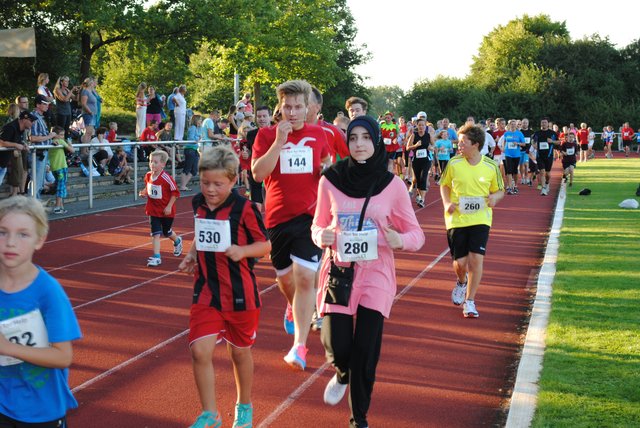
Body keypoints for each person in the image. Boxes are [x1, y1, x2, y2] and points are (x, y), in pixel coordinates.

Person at [312, 114, 424, 428]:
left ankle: (358, 418)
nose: (359, 144)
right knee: (338, 346)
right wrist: (322, 236)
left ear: (375, 141)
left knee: (365, 348)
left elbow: (417, 235)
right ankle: (342, 373)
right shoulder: (330, 180)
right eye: (353, 138)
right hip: (340, 272)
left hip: (376, 273)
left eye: (365, 138)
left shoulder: (392, 185)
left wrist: (399, 240)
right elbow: (318, 224)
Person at [178, 145, 270, 428]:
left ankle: (244, 406)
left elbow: (265, 245)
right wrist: (192, 253)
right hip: (207, 291)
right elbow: (202, 232)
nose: (210, 190)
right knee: (199, 351)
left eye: (218, 184)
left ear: (233, 181)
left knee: (239, 352)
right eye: (205, 182)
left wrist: (243, 251)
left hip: (241, 294)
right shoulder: (198, 203)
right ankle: (210, 414)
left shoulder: (244, 209)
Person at [252, 79, 331, 370]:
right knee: (286, 280)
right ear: (280, 107)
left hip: (309, 217)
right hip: (277, 218)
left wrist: (326, 169)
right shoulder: (265, 135)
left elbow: (327, 162)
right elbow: (258, 174)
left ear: (308, 107)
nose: (293, 112)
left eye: (298, 107)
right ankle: (293, 306)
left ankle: (299, 346)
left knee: (305, 277)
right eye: (288, 107)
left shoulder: (318, 134)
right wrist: (278, 142)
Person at [0, 196, 82, 426]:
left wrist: (9, 348)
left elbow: (63, 356)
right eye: (2, 232)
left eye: (23, 234)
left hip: (41, 411)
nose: (11, 242)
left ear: (39, 240)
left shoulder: (48, 292)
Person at [441, 124, 504, 318]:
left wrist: (494, 198)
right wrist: (447, 202)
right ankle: (462, 282)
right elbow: (444, 185)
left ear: (475, 144)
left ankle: (470, 301)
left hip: (481, 218)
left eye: (462, 142)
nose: (458, 145)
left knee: (476, 258)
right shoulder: (454, 163)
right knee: (460, 263)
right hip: (457, 219)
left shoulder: (491, 166)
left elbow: (500, 190)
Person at [138, 150, 183, 266]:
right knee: (155, 234)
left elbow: (175, 193)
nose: (152, 164)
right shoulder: (148, 175)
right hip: (153, 210)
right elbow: (148, 187)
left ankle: (177, 240)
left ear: (163, 164)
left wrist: (169, 206)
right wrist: (144, 192)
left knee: (166, 232)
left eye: (155, 162)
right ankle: (157, 257)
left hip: (166, 211)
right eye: (150, 161)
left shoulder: (166, 178)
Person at [29, 95, 57, 199]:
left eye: (48, 104)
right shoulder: (34, 117)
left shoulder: (40, 117)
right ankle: (33, 205)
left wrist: (50, 141)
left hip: (42, 153)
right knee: (36, 182)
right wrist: (49, 136)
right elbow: (32, 138)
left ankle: (35, 204)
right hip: (37, 153)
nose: (47, 106)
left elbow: (41, 136)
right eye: (44, 104)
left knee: (39, 182)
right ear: (37, 105)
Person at [245, 106, 271, 210]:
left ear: (270, 117)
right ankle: (256, 219)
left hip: (272, 171)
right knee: (256, 203)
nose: (261, 119)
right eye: (259, 116)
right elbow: (248, 150)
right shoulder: (251, 134)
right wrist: (246, 153)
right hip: (256, 170)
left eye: (264, 116)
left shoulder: (277, 132)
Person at [406, 117, 433, 208]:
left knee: (423, 178)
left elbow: (433, 144)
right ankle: (419, 196)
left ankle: (422, 199)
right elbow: (407, 148)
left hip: (426, 160)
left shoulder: (428, 135)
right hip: (416, 161)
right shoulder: (414, 135)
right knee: (417, 180)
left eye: (423, 125)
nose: (421, 127)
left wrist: (431, 148)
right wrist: (416, 145)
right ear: (417, 126)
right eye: (419, 125)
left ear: (425, 126)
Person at [49, 126, 74, 214]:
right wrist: (69, 143)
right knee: (61, 186)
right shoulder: (60, 141)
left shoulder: (50, 142)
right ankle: (57, 207)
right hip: (61, 167)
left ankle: (61, 206)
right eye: (61, 135)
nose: (62, 136)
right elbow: (72, 150)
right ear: (55, 135)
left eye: (63, 135)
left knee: (60, 186)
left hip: (54, 167)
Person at [532, 118, 558, 196]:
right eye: (542, 122)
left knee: (548, 174)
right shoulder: (537, 133)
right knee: (542, 172)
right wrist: (534, 145)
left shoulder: (552, 133)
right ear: (541, 124)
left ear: (548, 124)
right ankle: (543, 189)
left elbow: (558, 142)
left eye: (545, 122)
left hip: (549, 156)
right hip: (540, 155)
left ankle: (547, 183)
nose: (543, 124)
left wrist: (552, 141)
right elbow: (533, 141)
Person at [501, 119, 526, 195]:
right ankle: (509, 187)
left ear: (516, 125)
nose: (513, 125)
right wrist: (503, 147)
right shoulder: (506, 133)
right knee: (509, 171)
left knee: (515, 171)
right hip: (508, 154)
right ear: (509, 125)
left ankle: (515, 185)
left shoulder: (519, 133)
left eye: (514, 124)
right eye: (511, 124)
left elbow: (524, 144)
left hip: (516, 154)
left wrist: (518, 143)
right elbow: (504, 141)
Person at [181, 115, 202, 191]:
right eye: (200, 119)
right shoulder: (193, 127)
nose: (201, 121)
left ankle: (184, 185)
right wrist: (198, 139)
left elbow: (199, 136)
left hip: (194, 149)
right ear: (196, 120)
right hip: (190, 149)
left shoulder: (197, 128)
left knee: (194, 170)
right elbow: (191, 138)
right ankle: (183, 186)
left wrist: (199, 138)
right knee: (187, 168)